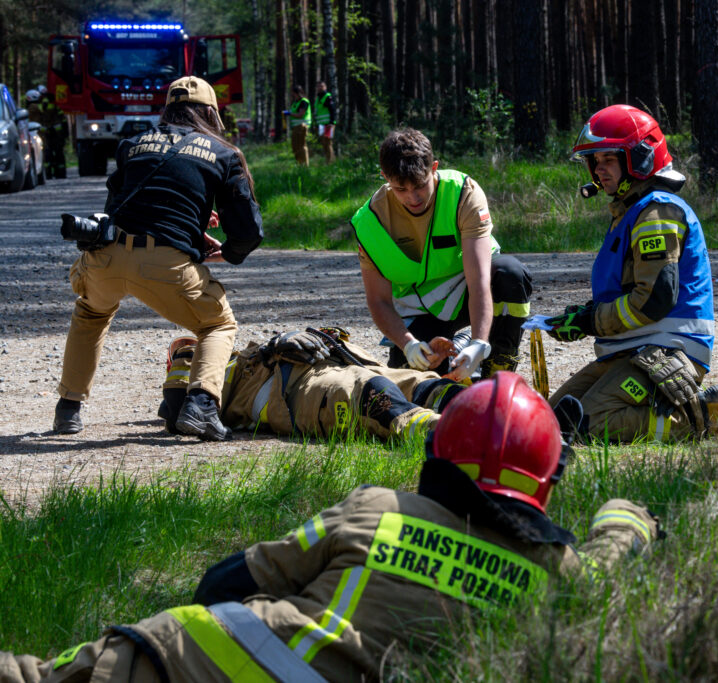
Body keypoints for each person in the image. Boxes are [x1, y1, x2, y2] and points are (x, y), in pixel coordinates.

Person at [1, 372, 660, 682]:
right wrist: (629, 519)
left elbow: (228, 582)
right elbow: (609, 557)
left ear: (438, 458)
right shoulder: (558, 575)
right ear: (545, 483)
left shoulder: (381, 509)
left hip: (194, 662)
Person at [52, 76, 263, 441]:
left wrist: (191, 226)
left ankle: (68, 408)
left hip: (106, 256)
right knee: (217, 324)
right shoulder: (224, 154)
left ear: (168, 110)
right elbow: (248, 230)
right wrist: (228, 252)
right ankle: (202, 405)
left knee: (91, 312)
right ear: (210, 113)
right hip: (165, 266)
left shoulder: (132, 144)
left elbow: (120, 206)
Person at [546, 104, 718, 444]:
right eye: (594, 161)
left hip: (666, 349)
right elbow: (623, 295)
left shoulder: (657, 212)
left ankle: (702, 418)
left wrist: (590, 321)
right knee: (553, 422)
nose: (599, 170)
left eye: (609, 159)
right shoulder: (629, 213)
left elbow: (654, 300)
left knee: (585, 424)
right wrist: (580, 317)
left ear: (639, 159)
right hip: (629, 349)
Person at [352, 128, 533, 381]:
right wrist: (408, 344)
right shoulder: (370, 222)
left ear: (434, 168)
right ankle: (457, 346)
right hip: (420, 309)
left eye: (420, 185)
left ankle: (497, 371)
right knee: (421, 385)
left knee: (510, 273)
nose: (413, 197)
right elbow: (378, 300)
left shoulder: (463, 193)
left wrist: (479, 343)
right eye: (400, 189)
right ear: (385, 177)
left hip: (468, 290)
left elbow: (479, 280)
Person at [159, 327, 467, 441]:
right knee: (363, 391)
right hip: (289, 392)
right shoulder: (198, 368)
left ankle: (479, 410)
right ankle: (453, 434)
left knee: (422, 384)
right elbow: (177, 413)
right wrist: (186, 355)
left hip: (333, 360)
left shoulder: (241, 354)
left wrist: (283, 343)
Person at [39, 89, 68, 179]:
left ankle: (49, 174)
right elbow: (63, 120)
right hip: (57, 134)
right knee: (58, 153)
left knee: (49, 154)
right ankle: (60, 173)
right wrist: (64, 133)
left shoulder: (41, 106)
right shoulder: (56, 105)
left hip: (48, 134)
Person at [285, 84, 311, 166]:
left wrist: (289, 114)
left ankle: (305, 165)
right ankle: (300, 164)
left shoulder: (304, 101)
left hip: (302, 126)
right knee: (295, 146)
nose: (292, 95)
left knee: (302, 146)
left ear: (297, 93)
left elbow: (300, 114)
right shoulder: (295, 103)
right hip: (296, 127)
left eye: (293, 93)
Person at [312, 80, 337, 162]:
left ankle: (331, 162)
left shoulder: (327, 97)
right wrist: (315, 124)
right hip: (321, 125)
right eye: (318, 86)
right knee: (324, 143)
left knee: (328, 143)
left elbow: (333, 110)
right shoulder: (318, 98)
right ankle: (328, 160)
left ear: (325, 87)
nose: (320, 88)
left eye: (321, 86)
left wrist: (331, 122)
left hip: (328, 124)